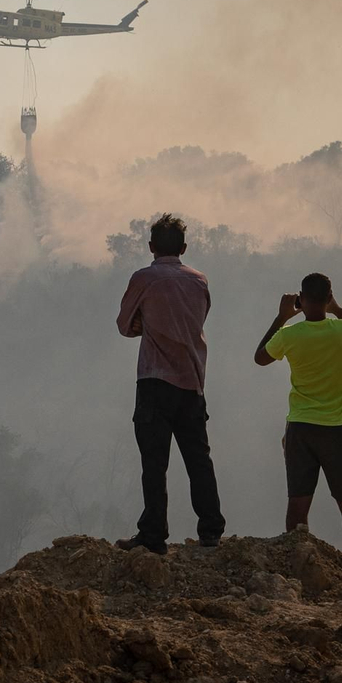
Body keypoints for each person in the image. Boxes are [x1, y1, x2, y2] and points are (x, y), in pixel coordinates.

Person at [114, 213, 225, 554]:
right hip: (192, 381)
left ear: (150, 247)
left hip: (154, 380)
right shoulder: (199, 281)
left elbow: (124, 325)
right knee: (198, 459)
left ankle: (153, 535)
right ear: (184, 247)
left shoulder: (144, 279)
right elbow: (198, 319)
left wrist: (146, 326)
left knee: (154, 463)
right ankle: (211, 530)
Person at [253, 273, 342, 561]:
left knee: (298, 501)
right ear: (329, 298)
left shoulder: (290, 335)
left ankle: (297, 560)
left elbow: (260, 357)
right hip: (339, 429)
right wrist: (338, 309)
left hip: (301, 429)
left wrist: (282, 317)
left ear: (302, 300)